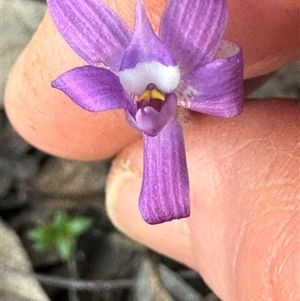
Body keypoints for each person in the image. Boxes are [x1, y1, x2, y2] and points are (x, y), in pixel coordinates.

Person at [4, 0, 299, 300]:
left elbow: (227, 87)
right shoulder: (146, 98)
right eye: (143, 96)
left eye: (153, 95)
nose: (149, 102)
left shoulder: (196, 92)